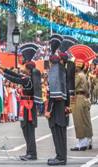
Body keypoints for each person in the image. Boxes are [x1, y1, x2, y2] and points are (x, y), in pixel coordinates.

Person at [0, 43, 42, 161]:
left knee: (28, 130)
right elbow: (16, 75)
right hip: (27, 107)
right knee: (27, 130)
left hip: (28, 107)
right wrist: (3, 69)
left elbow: (15, 78)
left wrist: (3, 74)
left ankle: (32, 153)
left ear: (28, 69)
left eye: (25, 68)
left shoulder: (27, 79)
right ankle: (30, 153)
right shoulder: (29, 78)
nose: (23, 69)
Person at [45, 34, 68, 166]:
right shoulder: (62, 70)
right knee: (61, 133)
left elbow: (54, 94)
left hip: (56, 109)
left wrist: (48, 110)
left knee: (57, 132)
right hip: (61, 107)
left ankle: (60, 157)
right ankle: (62, 157)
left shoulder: (55, 70)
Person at [70, 59, 93, 151]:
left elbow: (72, 86)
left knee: (79, 121)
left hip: (78, 98)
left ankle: (82, 143)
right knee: (86, 121)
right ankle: (88, 140)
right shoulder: (84, 75)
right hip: (84, 98)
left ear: (77, 67)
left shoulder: (78, 76)